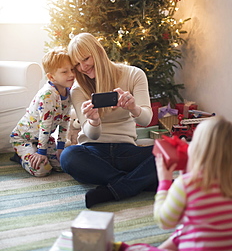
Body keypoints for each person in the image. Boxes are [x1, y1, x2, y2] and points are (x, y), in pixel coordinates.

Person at [112, 116, 232, 251]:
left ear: (198, 149)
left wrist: (164, 181)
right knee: (190, 228)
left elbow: (164, 220)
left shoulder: (186, 183)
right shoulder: (231, 186)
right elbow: (196, 211)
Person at [60, 32, 158, 208]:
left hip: (127, 150)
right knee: (68, 155)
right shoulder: (78, 89)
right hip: (93, 152)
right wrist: (94, 121)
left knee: (168, 151)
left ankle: (116, 188)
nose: (83, 67)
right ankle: (134, 183)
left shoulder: (134, 74)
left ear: (98, 52)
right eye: (77, 64)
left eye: (86, 59)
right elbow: (92, 135)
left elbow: (146, 119)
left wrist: (133, 108)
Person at [10, 47, 75, 177]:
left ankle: (39, 151)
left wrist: (61, 148)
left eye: (72, 69)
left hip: (44, 138)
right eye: (64, 72)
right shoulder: (48, 95)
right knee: (42, 170)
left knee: (63, 165)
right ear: (51, 77)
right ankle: (20, 157)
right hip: (23, 138)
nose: (71, 74)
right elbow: (45, 126)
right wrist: (41, 152)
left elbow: (65, 121)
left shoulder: (68, 92)